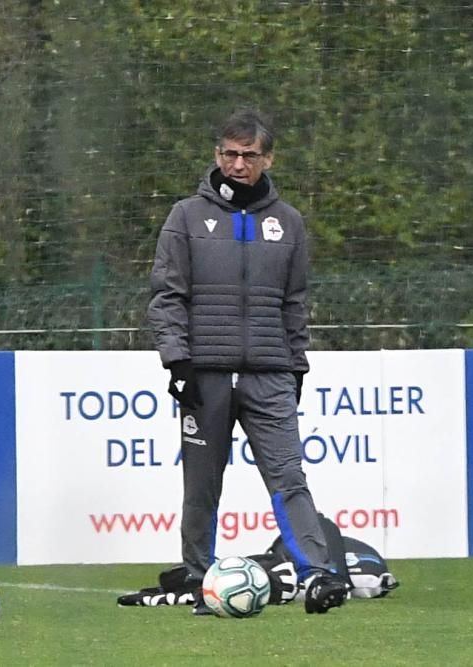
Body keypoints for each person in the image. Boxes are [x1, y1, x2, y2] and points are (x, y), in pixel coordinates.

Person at [147, 108, 347, 615]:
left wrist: (296, 366)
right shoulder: (186, 217)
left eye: (249, 155)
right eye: (230, 154)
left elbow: (294, 302)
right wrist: (177, 363)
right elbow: (167, 296)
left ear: (268, 158)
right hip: (204, 374)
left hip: (269, 374)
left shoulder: (290, 223)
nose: (238, 164)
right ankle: (197, 576)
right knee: (201, 485)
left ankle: (318, 576)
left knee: (289, 477)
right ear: (217, 155)